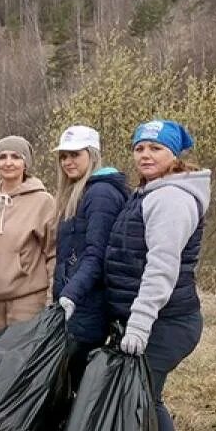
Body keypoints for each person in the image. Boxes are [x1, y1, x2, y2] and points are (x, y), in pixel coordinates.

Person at [105, 119, 209, 431]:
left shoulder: (172, 199)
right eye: (139, 148)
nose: (145, 155)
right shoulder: (151, 192)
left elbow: (161, 269)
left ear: (174, 155)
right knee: (147, 394)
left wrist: (139, 324)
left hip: (168, 321)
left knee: (146, 396)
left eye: (156, 149)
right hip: (157, 319)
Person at [49, 125, 128, 384]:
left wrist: (71, 294)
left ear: (92, 155)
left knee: (74, 376)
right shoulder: (78, 192)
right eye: (63, 156)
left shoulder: (101, 193)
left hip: (88, 304)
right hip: (75, 301)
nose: (68, 162)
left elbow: (97, 253)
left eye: (75, 155)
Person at [0, 136, 56, 336]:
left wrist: (51, 296)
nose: (8, 162)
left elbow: (53, 252)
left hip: (28, 300)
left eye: (16, 157)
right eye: (2, 157)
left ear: (25, 163)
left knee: (23, 360)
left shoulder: (42, 201)